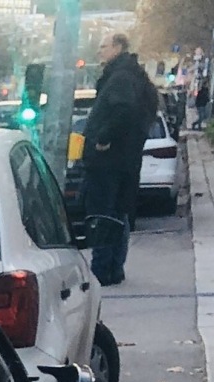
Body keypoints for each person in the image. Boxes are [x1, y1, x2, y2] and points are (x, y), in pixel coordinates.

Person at [80, 31, 159, 285]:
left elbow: (123, 110)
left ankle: (102, 269)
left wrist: (104, 137)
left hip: (109, 160)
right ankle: (115, 267)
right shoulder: (136, 76)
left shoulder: (121, 77)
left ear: (117, 47)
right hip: (126, 158)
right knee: (119, 212)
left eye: (103, 46)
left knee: (103, 213)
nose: (99, 51)